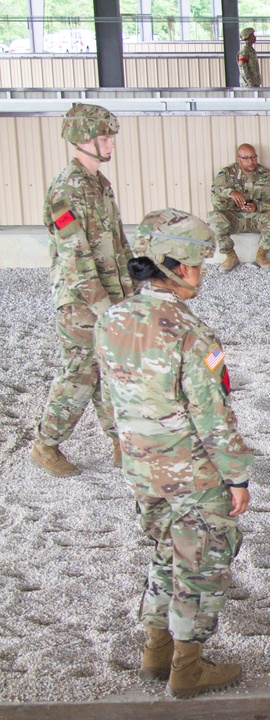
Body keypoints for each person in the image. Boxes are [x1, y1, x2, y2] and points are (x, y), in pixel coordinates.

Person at [94, 208, 254, 699]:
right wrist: (237, 477)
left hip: (141, 467)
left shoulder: (112, 317)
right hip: (191, 470)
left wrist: (125, 450)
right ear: (179, 266)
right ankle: (187, 668)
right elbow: (212, 414)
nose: (201, 274)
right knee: (201, 560)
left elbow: (107, 397)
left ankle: (154, 650)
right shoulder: (188, 331)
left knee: (165, 551)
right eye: (199, 265)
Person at [30, 103, 133, 477]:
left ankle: (120, 439)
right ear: (81, 140)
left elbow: (117, 244)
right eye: (105, 138)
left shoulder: (98, 185)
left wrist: (136, 284)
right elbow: (75, 259)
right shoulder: (66, 190)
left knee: (110, 369)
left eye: (110, 137)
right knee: (80, 373)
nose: (111, 144)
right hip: (80, 304)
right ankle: (46, 444)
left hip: (110, 296)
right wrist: (105, 307)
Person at [207, 144, 270, 272]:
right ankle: (230, 256)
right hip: (234, 218)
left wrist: (257, 206)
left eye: (253, 157)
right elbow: (215, 196)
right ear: (238, 159)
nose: (251, 161)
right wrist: (230, 192)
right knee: (214, 218)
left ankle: (261, 255)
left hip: (256, 218)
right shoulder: (227, 174)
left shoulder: (266, 175)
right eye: (246, 158)